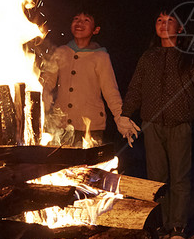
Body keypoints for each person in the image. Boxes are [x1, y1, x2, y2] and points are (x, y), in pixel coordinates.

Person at [122, 9, 194, 239]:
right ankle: (161, 223)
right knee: (156, 177)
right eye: (159, 19)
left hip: (180, 123)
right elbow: (135, 88)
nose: (164, 24)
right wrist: (124, 114)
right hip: (152, 124)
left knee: (180, 176)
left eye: (170, 20)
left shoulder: (189, 58)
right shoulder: (148, 57)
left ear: (181, 28)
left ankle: (179, 225)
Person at [40, 10, 140, 147]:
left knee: (86, 168)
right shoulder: (61, 51)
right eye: (76, 19)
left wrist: (120, 118)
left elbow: (110, 91)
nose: (80, 23)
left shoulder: (100, 57)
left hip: (90, 127)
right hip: (61, 126)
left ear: (96, 30)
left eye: (86, 20)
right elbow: (47, 82)